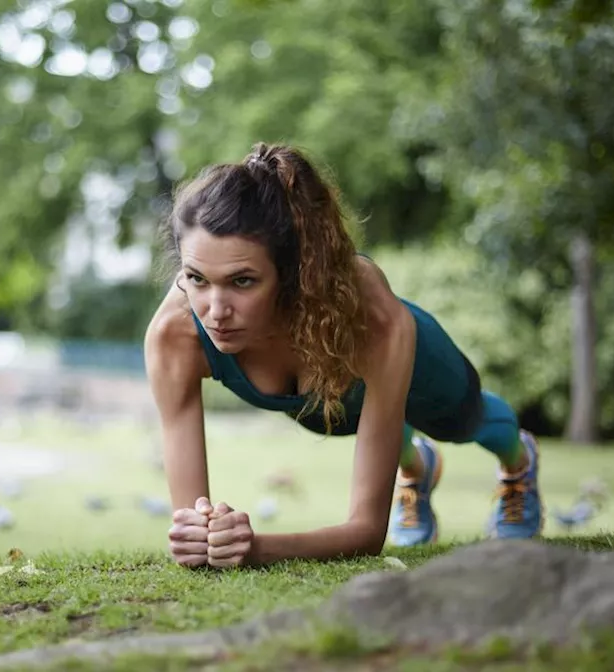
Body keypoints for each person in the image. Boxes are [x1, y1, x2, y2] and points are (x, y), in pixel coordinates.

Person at [144, 142, 544, 569]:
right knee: (359, 423)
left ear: (295, 271)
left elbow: (367, 533)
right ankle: (415, 467)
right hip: (330, 407)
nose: (215, 311)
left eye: (242, 281)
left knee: (468, 422)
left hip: (421, 368)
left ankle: (518, 462)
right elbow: (191, 519)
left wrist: (255, 547)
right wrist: (201, 536)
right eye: (196, 278)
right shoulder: (176, 334)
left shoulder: (377, 320)